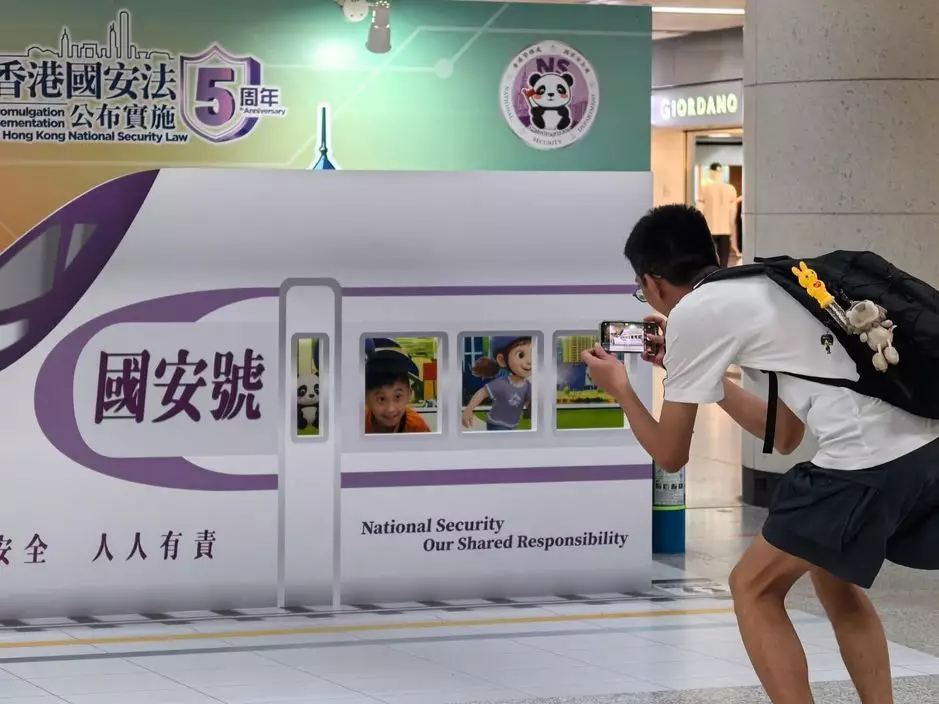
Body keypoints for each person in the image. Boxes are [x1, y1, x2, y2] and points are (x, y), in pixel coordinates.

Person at [581, 203, 939, 704]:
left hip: (864, 462)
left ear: (653, 283)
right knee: (832, 577)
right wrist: (697, 375)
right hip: (923, 449)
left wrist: (621, 389)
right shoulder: (767, 283)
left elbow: (670, 454)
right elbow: (784, 434)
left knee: (752, 588)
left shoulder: (695, 313)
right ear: (715, 255)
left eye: (643, 291)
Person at [462, 336, 533, 431]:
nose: (529, 361)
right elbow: (481, 393)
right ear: (502, 360)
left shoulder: (528, 386)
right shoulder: (502, 383)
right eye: (521, 355)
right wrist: (468, 410)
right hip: (496, 424)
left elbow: (531, 402)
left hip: (513, 425)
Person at [364, 350, 431, 433]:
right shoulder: (357, 423)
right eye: (381, 399)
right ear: (366, 399)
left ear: (409, 395)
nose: (391, 409)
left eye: (398, 397)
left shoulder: (417, 427)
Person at [697, 163, 738, 267]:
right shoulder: (730, 189)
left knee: (709, 258)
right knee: (724, 260)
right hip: (725, 229)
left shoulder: (705, 188)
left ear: (710, 172)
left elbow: (700, 209)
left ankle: (711, 274)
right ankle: (722, 274)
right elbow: (732, 211)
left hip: (709, 228)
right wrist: (731, 226)